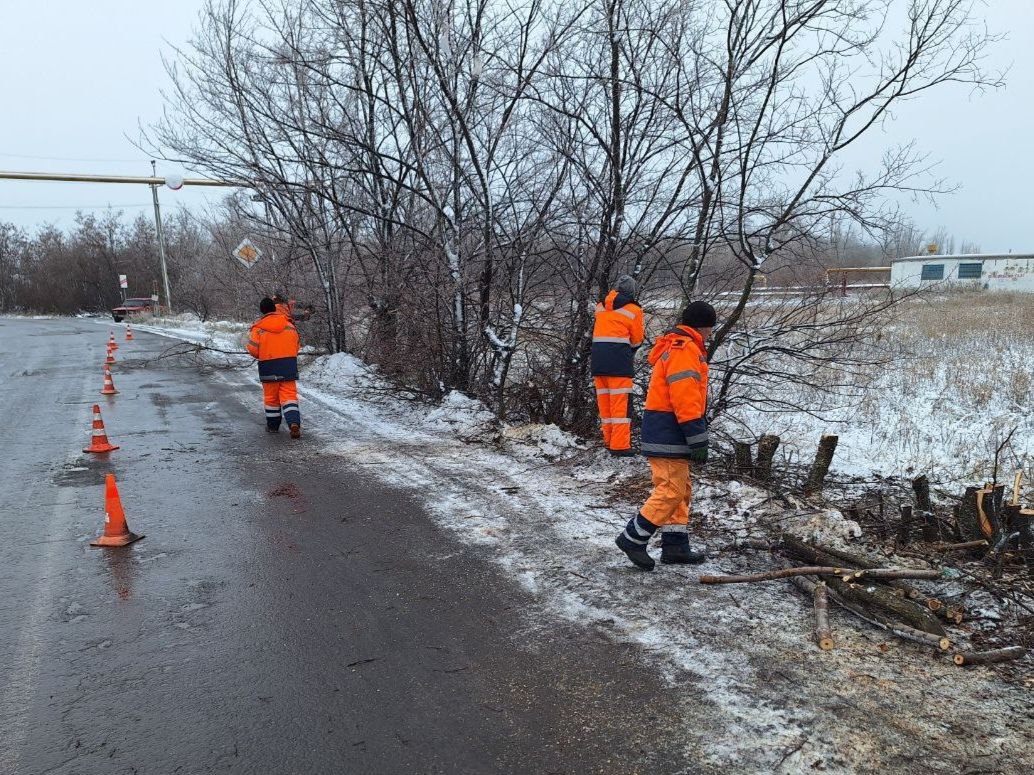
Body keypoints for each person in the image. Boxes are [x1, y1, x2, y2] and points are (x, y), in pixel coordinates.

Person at [615, 301, 716, 570]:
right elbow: (685, 398)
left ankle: (675, 545)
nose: (710, 335)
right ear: (704, 327)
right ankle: (633, 538)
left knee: (680, 488)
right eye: (710, 329)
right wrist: (697, 436)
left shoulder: (678, 345)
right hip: (669, 429)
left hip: (666, 427)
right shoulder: (685, 349)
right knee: (671, 489)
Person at [590, 274, 645, 456]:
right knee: (620, 406)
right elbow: (637, 340)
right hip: (619, 363)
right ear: (633, 292)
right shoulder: (633, 310)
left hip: (598, 361)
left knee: (605, 405)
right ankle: (620, 446)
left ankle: (609, 440)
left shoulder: (600, 307)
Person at [246, 297, 302, 438]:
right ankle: (294, 423)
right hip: (288, 365)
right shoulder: (289, 325)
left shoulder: (258, 329)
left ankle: (273, 427)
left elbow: (253, 350)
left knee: (271, 399)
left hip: (268, 366)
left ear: (262, 311)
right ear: (274, 308)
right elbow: (297, 346)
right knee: (289, 397)